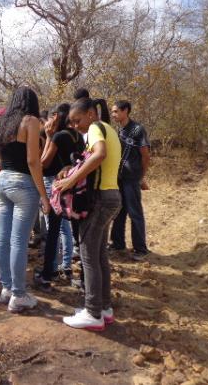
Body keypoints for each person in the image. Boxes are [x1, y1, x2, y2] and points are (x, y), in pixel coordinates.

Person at [0, 86, 50, 313]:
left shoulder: (3, 121)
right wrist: (43, 196)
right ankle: (19, 294)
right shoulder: (31, 121)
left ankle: (7, 288)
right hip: (23, 183)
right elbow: (33, 161)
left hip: (3, 180)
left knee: (2, 238)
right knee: (18, 241)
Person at [55, 98, 121, 331]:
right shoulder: (108, 129)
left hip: (101, 199)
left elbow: (99, 154)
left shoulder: (95, 128)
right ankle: (103, 308)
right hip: (112, 195)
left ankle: (93, 313)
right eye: (71, 122)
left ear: (91, 114)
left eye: (77, 120)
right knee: (99, 253)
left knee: (88, 255)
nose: (75, 126)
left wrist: (72, 179)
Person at [34, 104, 85, 290]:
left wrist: (48, 137)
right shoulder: (78, 135)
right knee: (71, 229)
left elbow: (43, 163)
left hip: (54, 184)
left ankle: (49, 273)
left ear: (55, 116)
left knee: (53, 229)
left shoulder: (58, 136)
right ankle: (69, 269)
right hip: (73, 185)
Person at [110, 100, 151, 261]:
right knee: (119, 211)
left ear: (125, 110)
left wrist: (141, 177)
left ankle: (140, 249)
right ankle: (118, 244)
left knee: (135, 213)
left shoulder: (137, 130)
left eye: (115, 111)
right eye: (112, 112)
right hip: (119, 177)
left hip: (132, 178)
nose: (113, 115)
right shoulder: (120, 130)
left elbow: (145, 155)